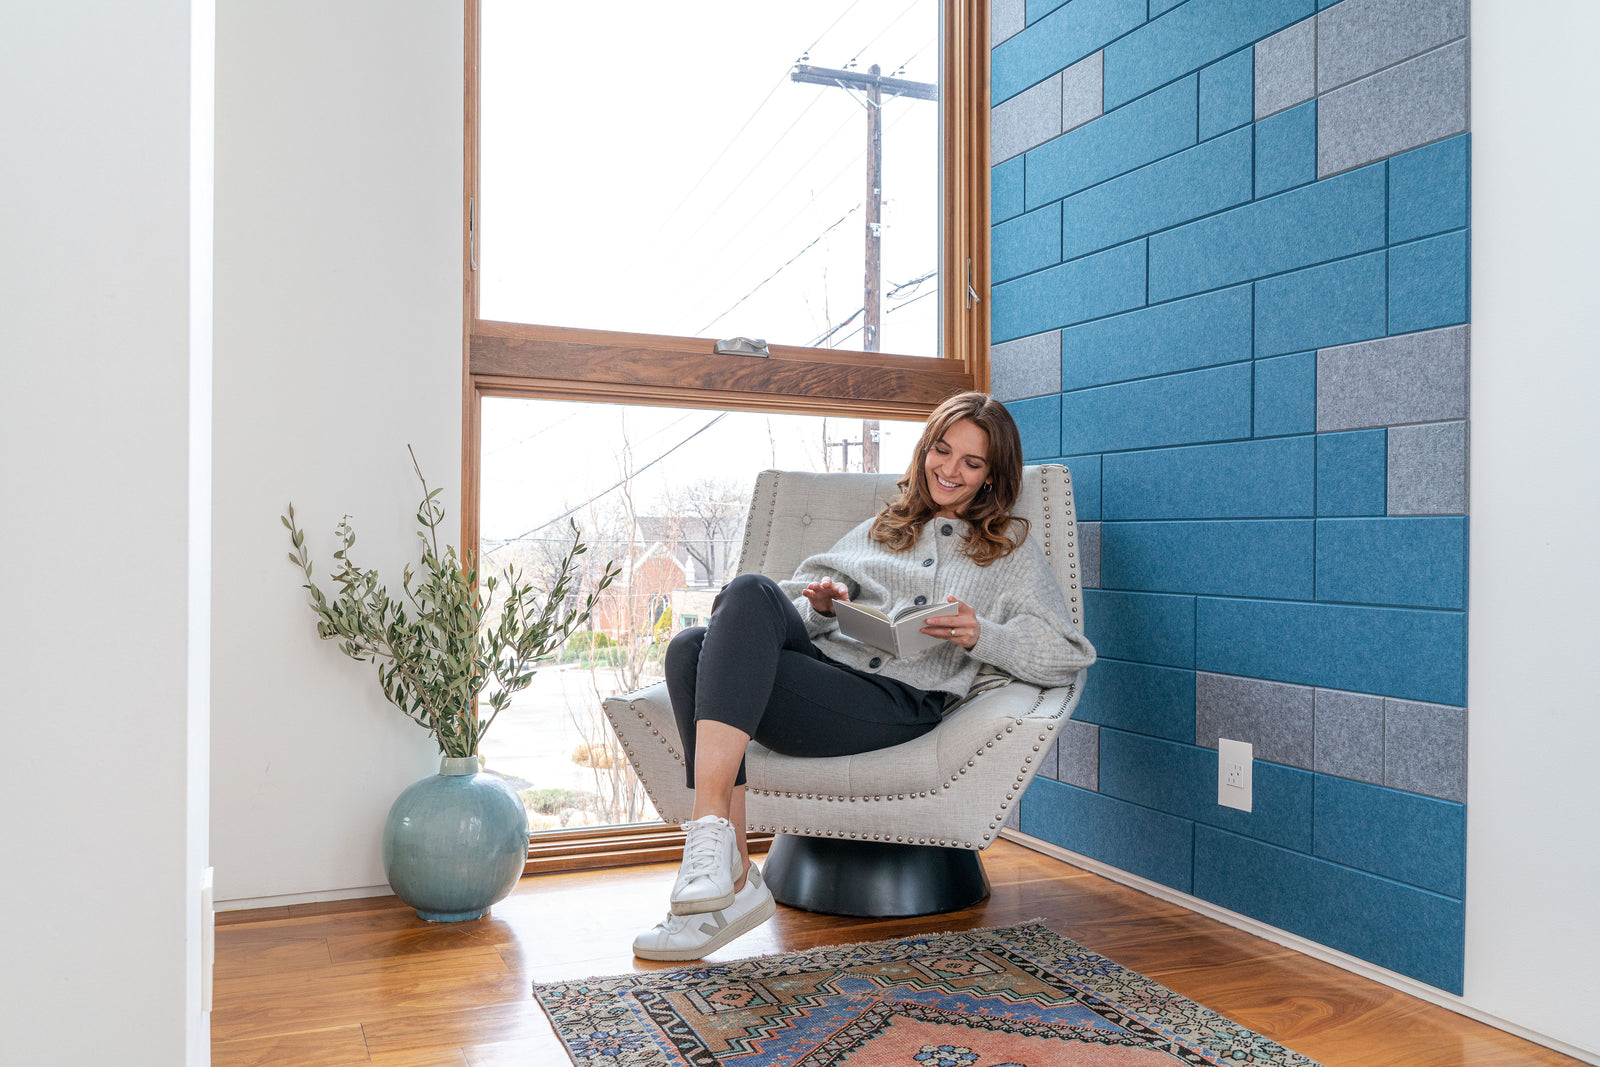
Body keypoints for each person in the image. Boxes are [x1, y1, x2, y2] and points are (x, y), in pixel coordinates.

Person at [630, 391, 1096, 961]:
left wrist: (983, 635)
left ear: (993, 477)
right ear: (926, 450)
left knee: (718, 624)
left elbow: (1067, 653)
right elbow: (793, 608)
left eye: (971, 463)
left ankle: (716, 864)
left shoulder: (1007, 552)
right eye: (942, 451)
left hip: (898, 705)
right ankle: (728, 876)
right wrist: (821, 611)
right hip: (830, 681)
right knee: (693, 643)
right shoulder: (883, 528)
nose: (949, 470)